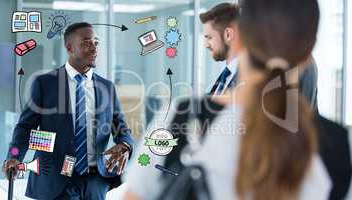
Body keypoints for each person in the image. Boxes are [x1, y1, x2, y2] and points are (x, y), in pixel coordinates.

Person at [124, 0, 332, 199]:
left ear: (237, 36)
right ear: (309, 50)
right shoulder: (334, 148)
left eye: (207, 37)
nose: (206, 44)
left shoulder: (181, 119)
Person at [2, 22, 134, 200]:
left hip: (95, 182)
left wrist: (125, 145)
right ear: (70, 47)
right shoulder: (45, 83)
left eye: (96, 42)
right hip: (55, 180)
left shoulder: (107, 87)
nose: (94, 48)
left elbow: (122, 129)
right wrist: (14, 156)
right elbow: (25, 127)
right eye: (87, 42)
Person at [200, 3, 241, 95]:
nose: (206, 45)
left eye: (209, 37)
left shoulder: (249, 77)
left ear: (228, 35)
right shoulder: (224, 76)